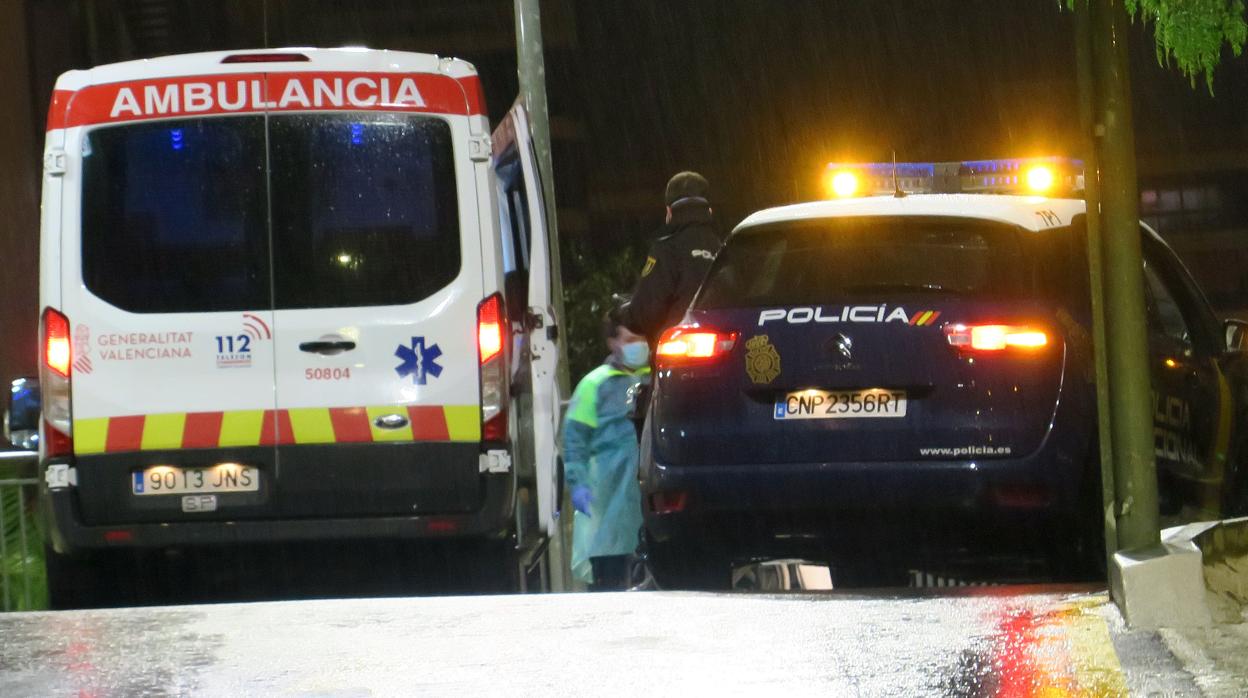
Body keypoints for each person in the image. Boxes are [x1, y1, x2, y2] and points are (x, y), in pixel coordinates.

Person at [563, 307, 651, 590]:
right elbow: (574, 440)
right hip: (607, 502)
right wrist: (578, 483)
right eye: (630, 339)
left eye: (641, 338)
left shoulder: (658, 378)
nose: (638, 345)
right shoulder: (594, 384)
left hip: (645, 505)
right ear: (613, 343)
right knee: (609, 586)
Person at [623, 171, 723, 344]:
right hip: (726, 350)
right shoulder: (727, 250)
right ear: (709, 211)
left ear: (669, 212)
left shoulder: (667, 249)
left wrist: (623, 313)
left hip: (681, 355)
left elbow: (645, 314)